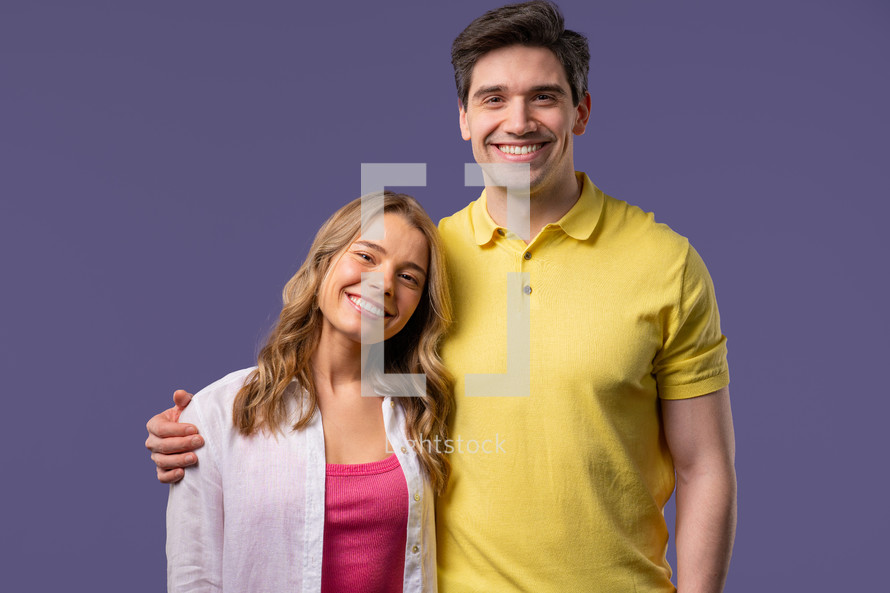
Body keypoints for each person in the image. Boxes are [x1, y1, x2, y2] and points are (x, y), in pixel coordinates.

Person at [148, 2, 737, 592]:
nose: (519, 120)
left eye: (544, 97)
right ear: (464, 117)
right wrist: (205, 431)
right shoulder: (427, 261)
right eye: (493, 98)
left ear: (580, 112)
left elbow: (704, 466)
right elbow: (330, 383)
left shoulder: (665, 264)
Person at [164, 192, 452, 592]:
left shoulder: (424, 413)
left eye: (408, 277)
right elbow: (194, 578)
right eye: (367, 256)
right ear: (324, 262)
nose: (383, 283)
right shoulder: (218, 413)